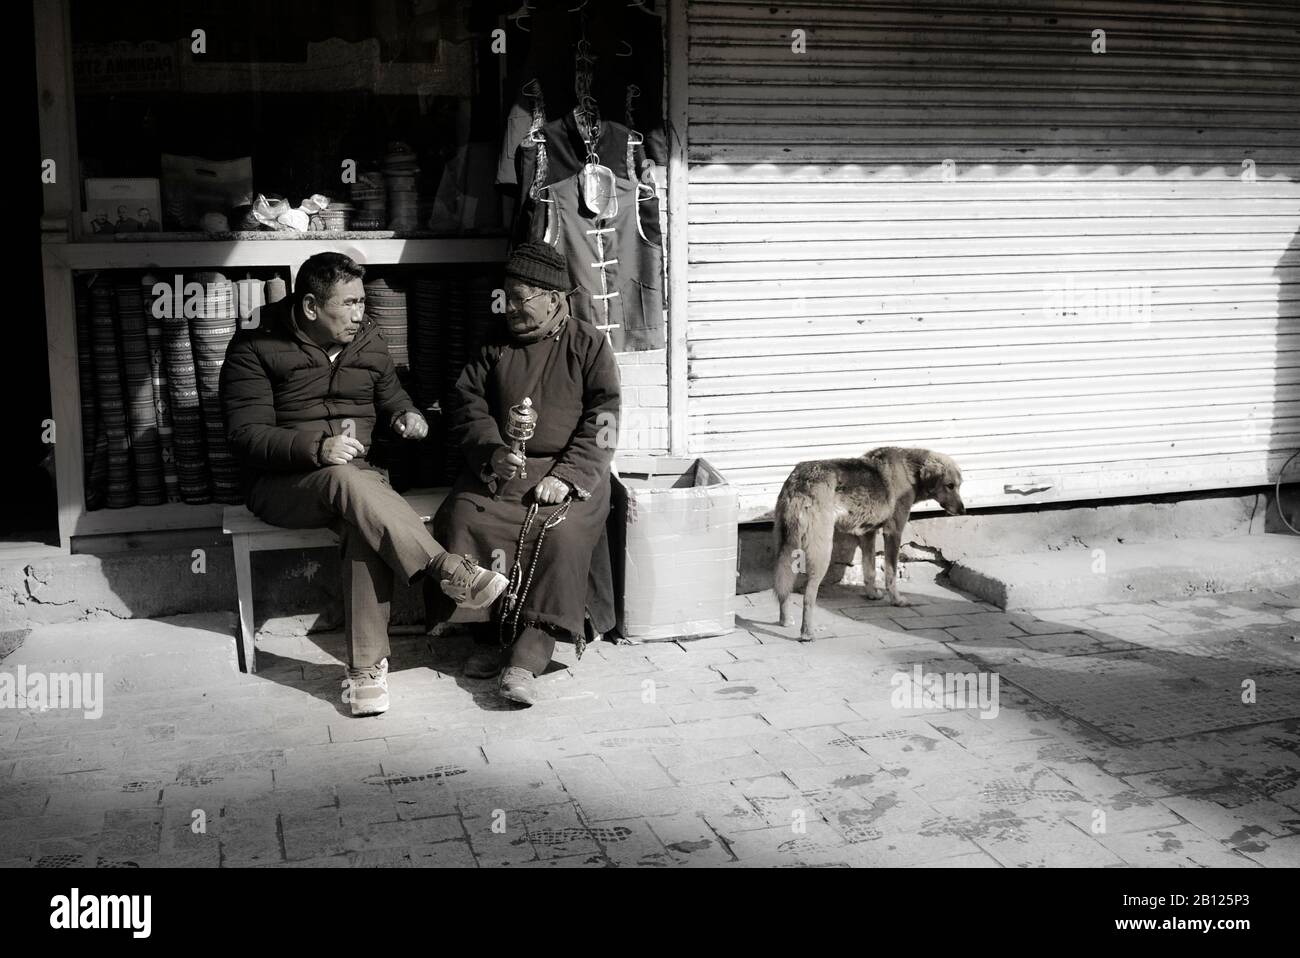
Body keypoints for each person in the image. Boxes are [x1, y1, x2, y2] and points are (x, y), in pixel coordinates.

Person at [219, 252, 508, 717]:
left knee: (362, 523)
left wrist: (405, 417)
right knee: (344, 480)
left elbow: (392, 397)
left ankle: (364, 673)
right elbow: (246, 435)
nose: (360, 314)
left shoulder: (369, 339)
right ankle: (448, 569)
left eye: (362, 301)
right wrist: (316, 448)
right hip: (282, 486)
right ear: (311, 307)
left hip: (359, 483)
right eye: (349, 304)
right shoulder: (255, 344)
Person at [430, 241, 621, 705]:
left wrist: (569, 473)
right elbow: (465, 405)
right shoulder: (491, 343)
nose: (510, 307)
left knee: (563, 533)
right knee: (462, 517)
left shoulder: (588, 343)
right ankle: (494, 635)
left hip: (570, 471)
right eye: (507, 297)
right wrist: (492, 451)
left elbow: (605, 414)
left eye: (521, 298)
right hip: (504, 467)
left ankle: (529, 655)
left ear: (553, 298)